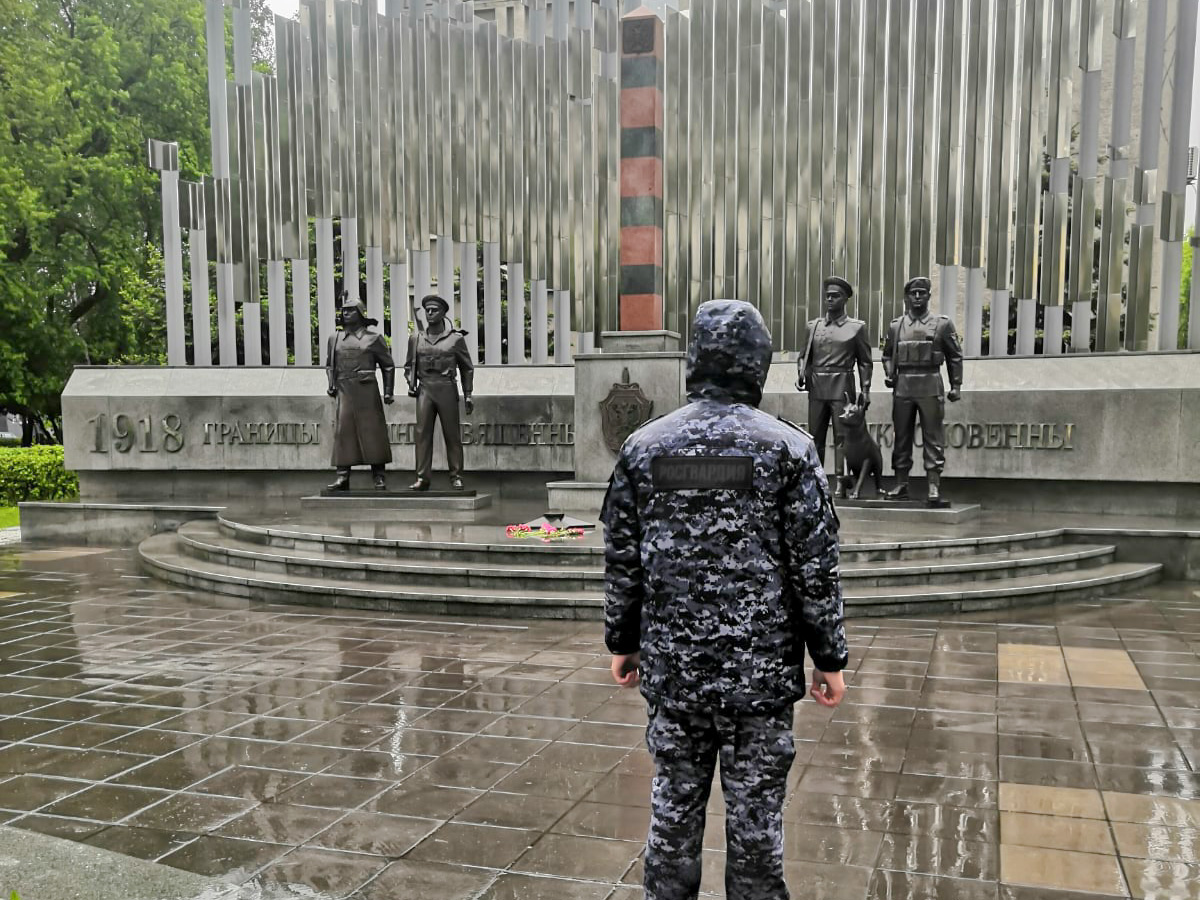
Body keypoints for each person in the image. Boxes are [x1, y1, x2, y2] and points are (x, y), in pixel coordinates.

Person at [602, 299, 848, 900]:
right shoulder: (788, 449)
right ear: (757, 363)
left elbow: (624, 559)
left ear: (696, 360)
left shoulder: (644, 446)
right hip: (759, 683)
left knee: (672, 821)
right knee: (757, 831)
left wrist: (622, 642)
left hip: (675, 675)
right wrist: (830, 658)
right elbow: (814, 567)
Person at [881, 276, 964, 505]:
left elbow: (955, 356)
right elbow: (887, 355)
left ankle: (933, 486)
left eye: (922, 293)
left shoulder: (942, 324)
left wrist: (956, 385)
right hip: (904, 385)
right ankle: (901, 483)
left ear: (929, 295)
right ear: (907, 297)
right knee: (901, 437)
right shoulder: (896, 326)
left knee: (933, 436)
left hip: (930, 382)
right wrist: (890, 373)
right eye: (913, 293)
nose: (917, 297)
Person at [795, 276, 873, 498]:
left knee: (843, 437)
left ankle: (841, 481)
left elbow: (865, 362)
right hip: (817, 386)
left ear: (845, 299)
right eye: (827, 295)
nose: (830, 299)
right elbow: (804, 357)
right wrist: (801, 373)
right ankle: (815, 480)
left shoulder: (856, 328)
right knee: (814, 437)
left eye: (835, 296)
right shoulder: (813, 326)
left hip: (842, 386)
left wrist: (865, 390)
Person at [403, 294, 475, 491]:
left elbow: (467, 368)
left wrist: (468, 394)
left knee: (452, 434)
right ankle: (422, 478)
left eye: (434, 310)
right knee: (422, 434)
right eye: (427, 310)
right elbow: (408, 365)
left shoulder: (455, 339)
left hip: (446, 387)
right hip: (425, 388)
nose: (430, 313)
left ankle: (456, 475)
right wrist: (410, 381)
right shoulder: (416, 338)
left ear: (443, 313)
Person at [325, 296, 395, 491]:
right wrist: (331, 383)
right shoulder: (335, 339)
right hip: (345, 389)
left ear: (361, 313)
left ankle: (379, 476)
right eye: (344, 310)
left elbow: (388, 366)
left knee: (373, 431)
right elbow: (330, 365)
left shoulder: (373, 338)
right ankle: (342, 476)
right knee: (343, 431)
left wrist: (388, 392)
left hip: (367, 390)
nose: (346, 313)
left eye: (351, 310)